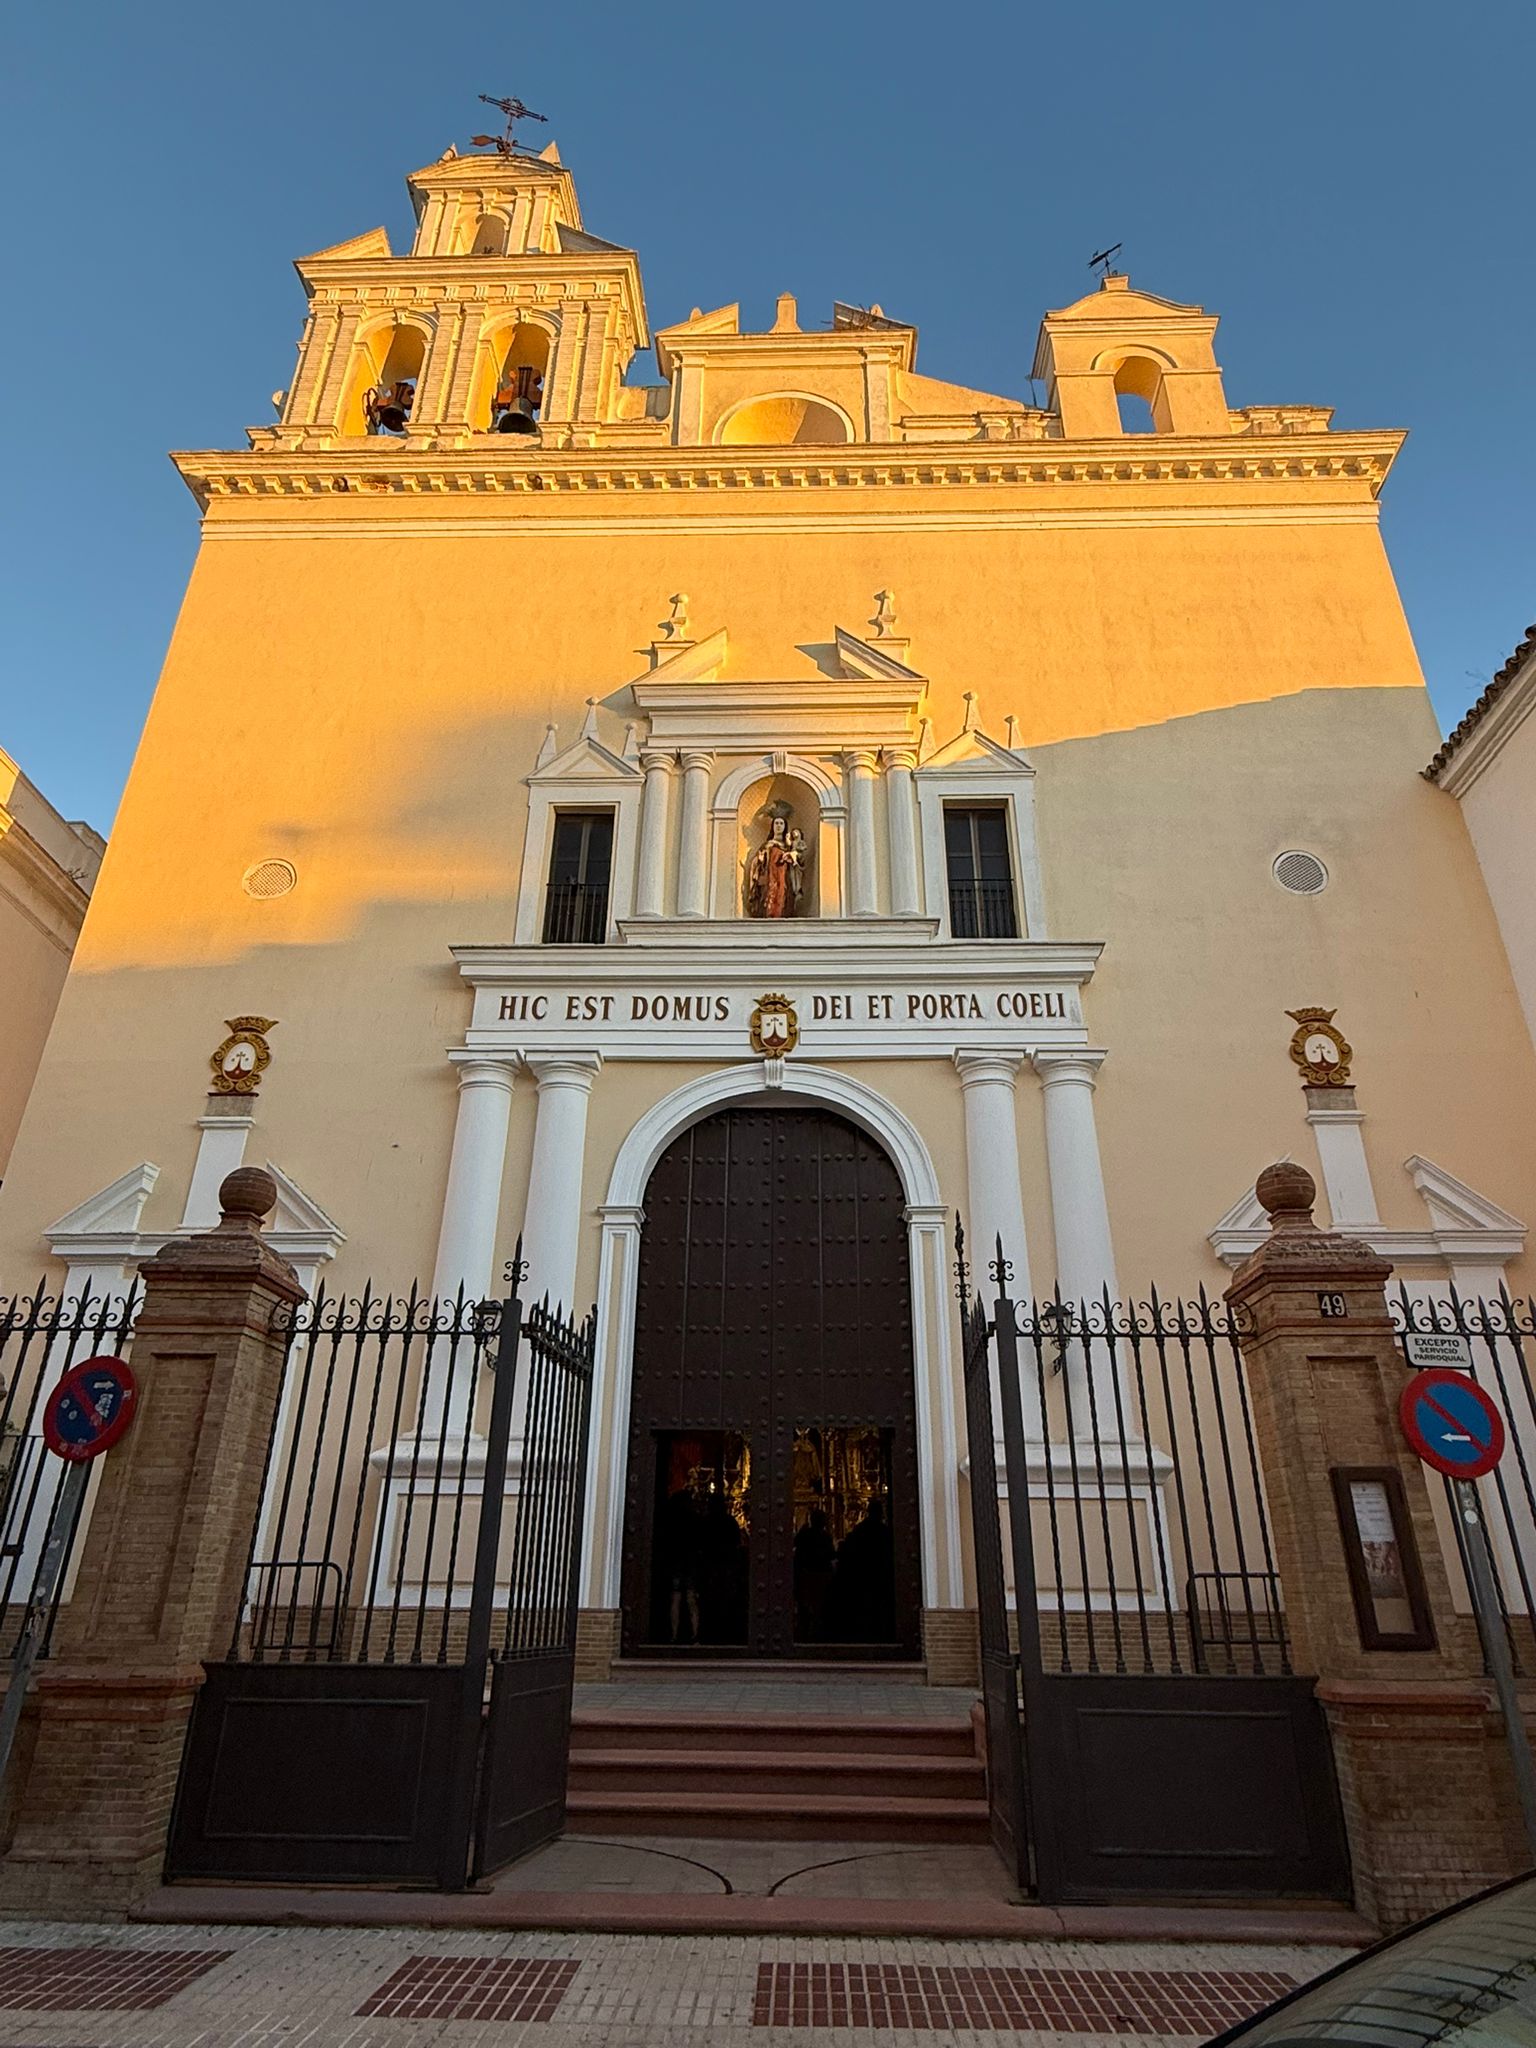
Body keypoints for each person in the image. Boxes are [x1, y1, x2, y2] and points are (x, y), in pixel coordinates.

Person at [746, 812, 800, 919]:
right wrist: (759, 860)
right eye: (776, 823)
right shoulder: (767, 845)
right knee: (769, 894)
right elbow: (757, 862)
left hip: (784, 876)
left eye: (781, 823)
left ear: (785, 827)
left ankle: (783, 912)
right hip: (769, 875)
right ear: (772, 826)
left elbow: (797, 861)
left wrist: (791, 855)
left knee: (783, 894)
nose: (779, 826)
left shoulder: (788, 846)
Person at [793, 1508, 835, 1641]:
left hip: (807, 1573)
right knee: (818, 1605)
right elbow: (831, 1554)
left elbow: (796, 1547)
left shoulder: (805, 1535)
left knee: (805, 1605)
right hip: (820, 1574)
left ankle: (805, 1630)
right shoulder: (825, 1537)